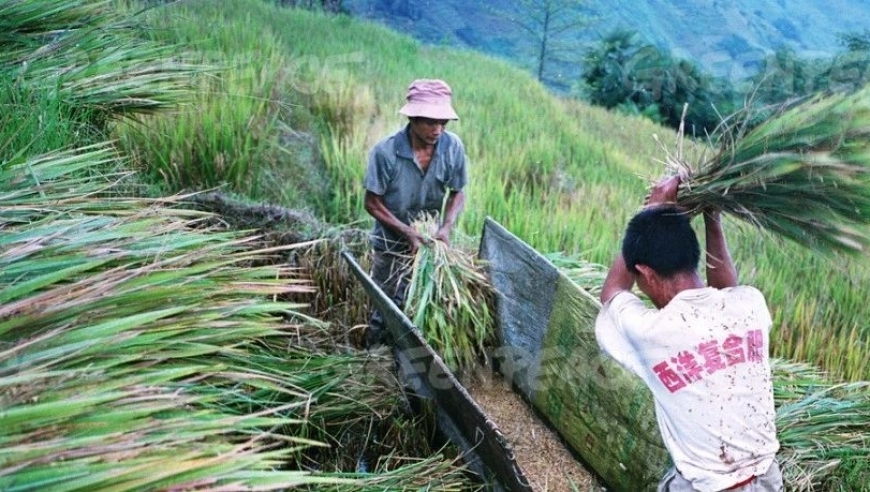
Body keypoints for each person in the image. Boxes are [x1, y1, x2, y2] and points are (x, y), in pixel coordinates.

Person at [594, 176, 782, 492]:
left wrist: (649, 215)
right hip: (767, 481)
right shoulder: (750, 304)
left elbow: (613, 290)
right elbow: (726, 290)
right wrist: (713, 216)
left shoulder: (651, 332)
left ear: (646, 273)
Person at [362, 78, 468, 347]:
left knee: (418, 305)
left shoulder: (452, 147)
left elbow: (458, 192)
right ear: (413, 118)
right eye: (430, 122)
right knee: (385, 306)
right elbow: (372, 203)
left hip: (429, 245)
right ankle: (373, 358)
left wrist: (446, 227)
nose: (438, 129)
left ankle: (406, 356)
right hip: (391, 244)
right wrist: (407, 232)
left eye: (443, 122)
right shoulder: (386, 153)